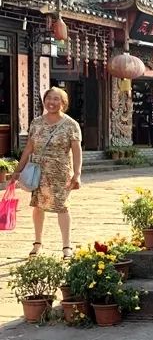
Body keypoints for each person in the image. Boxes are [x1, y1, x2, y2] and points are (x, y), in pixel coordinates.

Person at [11, 87, 82, 260]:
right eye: (49, 98)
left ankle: (66, 246)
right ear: (44, 101)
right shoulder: (36, 123)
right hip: (38, 171)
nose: (52, 102)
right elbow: (29, 147)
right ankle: (37, 243)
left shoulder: (71, 125)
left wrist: (77, 173)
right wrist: (18, 170)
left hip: (61, 172)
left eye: (56, 99)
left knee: (62, 207)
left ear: (63, 103)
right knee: (38, 206)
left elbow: (76, 151)